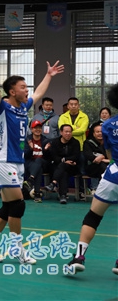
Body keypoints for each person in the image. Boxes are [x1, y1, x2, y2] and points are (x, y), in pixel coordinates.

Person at [0, 55, 64, 263]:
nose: (27, 90)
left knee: (8, 207)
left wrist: (49, 75)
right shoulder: (2, 107)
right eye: (23, 87)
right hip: (4, 161)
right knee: (19, 204)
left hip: (17, 163)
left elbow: (38, 93)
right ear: (12, 91)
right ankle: (18, 250)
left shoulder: (22, 107)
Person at [67, 83, 118, 275]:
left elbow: (109, 153)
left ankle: (79, 257)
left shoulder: (108, 125)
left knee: (94, 216)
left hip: (113, 176)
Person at [44, 124, 81, 204]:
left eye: (70, 132)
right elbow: (54, 156)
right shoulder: (55, 142)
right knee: (63, 172)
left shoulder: (75, 142)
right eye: (66, 132)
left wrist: (64, 160)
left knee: (63, 166)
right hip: (57, 166)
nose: (68, 134)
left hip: (72, 166)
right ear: (61, 132)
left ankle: (53, 183)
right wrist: (64, 160)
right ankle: (63, 195)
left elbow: (76, 156)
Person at [23, 120, 51, 203]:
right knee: (38, 169)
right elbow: (23, 154)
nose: (38, 130)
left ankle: (31, 180)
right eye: (35, 128)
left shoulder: (46, 140)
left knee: (39, 160)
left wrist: (46, 150)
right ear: (32, 129)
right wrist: (31, 149)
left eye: (39, 128)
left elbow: (49, 157)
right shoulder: (26, 140)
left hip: (43, 163)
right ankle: (37, 193)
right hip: (30, 163)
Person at [83, 122, 109, 193]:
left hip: (106, 166)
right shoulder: (88, 143)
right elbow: (91, 157)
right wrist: (105, 158)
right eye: (97, 132)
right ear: (94, 134)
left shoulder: (109, 142)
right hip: (92, 168)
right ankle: (96, 188)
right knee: (101, 165)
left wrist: (102, 158)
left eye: (101, 132)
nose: (100, 133)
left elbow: (113, 156)